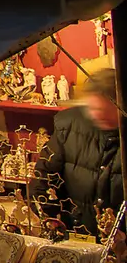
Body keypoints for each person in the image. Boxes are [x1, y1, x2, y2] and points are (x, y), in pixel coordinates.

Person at [32, 68, 122, 237]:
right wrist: (48, 219)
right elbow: (43, 176)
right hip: (75, 234)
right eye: (92, 108)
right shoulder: (70, 126)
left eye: (103, 110)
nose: (95, 115)